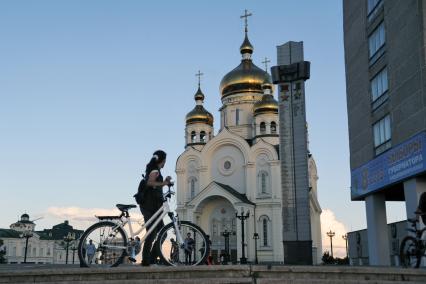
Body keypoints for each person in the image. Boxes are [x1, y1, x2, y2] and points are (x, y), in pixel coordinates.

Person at [139, 150, 173, 266]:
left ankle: (152, 258)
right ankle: (146, 260)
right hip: (149, 206)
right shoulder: (155, 170)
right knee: (152, 233)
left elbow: (155, 187)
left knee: (162, 233)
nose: (165, 163)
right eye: (165, 161)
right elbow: (150, 183)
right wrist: (163, 183)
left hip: (155, 206)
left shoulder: (155, 170)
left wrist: (165, 182)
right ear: (162, 161)